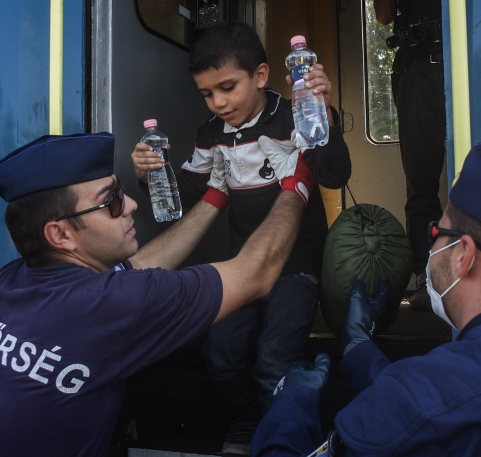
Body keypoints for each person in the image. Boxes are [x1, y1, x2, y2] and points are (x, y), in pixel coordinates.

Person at [0, 130, 318, 457]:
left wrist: (215, 195)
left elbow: (138, 269)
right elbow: (256, 272)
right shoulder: (108, 306)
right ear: (61, 235)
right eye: (112, 201)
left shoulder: (8, 282)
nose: (130, 204)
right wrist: (296, 182)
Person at [251, 136, 481, 456]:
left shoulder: (413, 403)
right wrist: (359, 347)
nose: (433, 246)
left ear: (464, 255)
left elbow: (420, 406)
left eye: (437, 232)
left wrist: (291, 404)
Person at [131, 22, 351, 456]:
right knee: (222, 352)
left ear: (262, 76)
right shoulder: (211, 134)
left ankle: (284, 433)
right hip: (240, 265)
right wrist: (148, 174)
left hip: (297, 265)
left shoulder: (295, 115)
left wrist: (324, 115)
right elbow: (188, 195)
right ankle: (249, 417)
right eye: (207, 94)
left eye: (227, 87)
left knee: (275, 359)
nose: (218, 102)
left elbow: (335, 173)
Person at [373, 0, 446, 311]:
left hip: (473, 53)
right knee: (420, 176)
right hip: (417, 62)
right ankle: (427, 280)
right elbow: (383, 15)